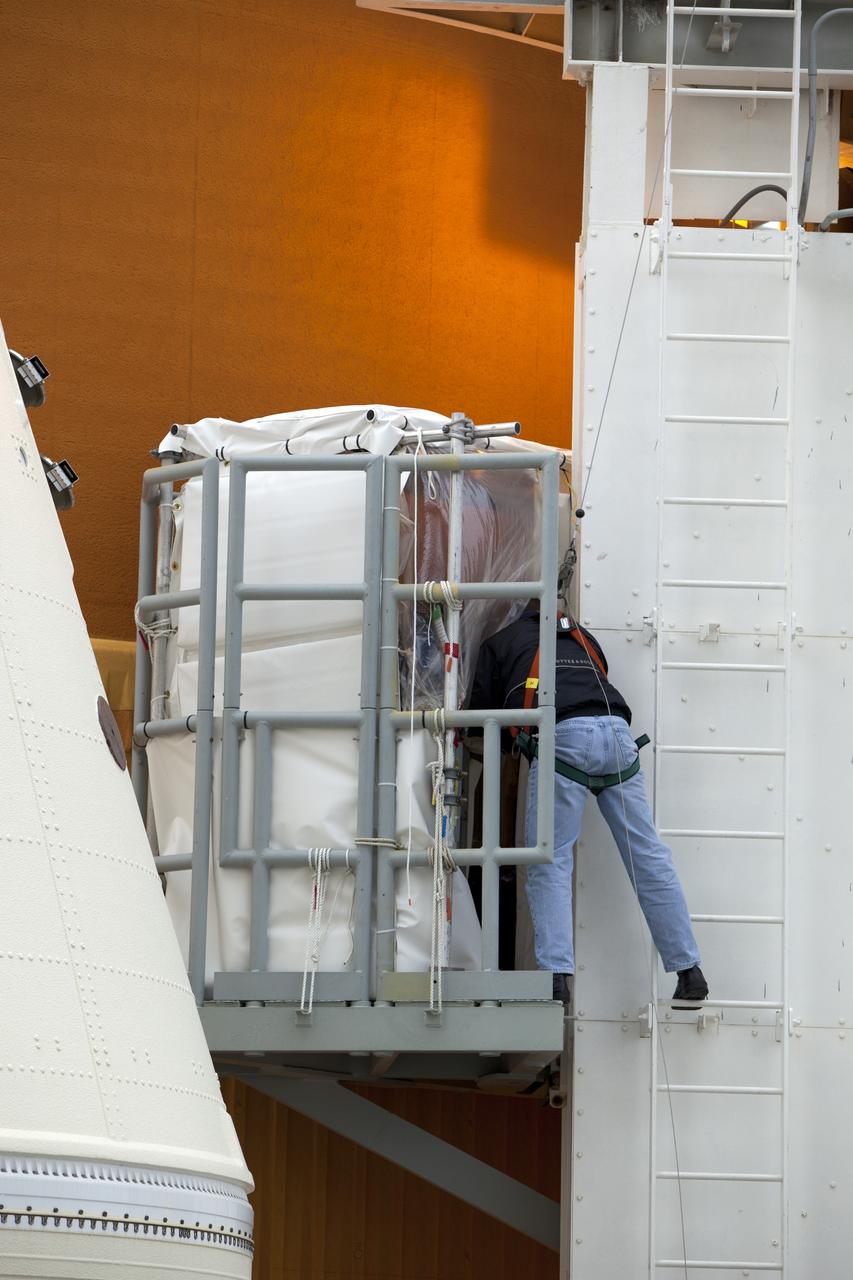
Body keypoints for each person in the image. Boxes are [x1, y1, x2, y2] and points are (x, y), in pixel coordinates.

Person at [469, 608, 708, 1007]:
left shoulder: (500, 642)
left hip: (563, 738)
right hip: (618, 735)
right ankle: (689, 971)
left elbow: (479, 722)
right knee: (648, 857)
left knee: (552, 861)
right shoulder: (584, 638)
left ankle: (557, 979)